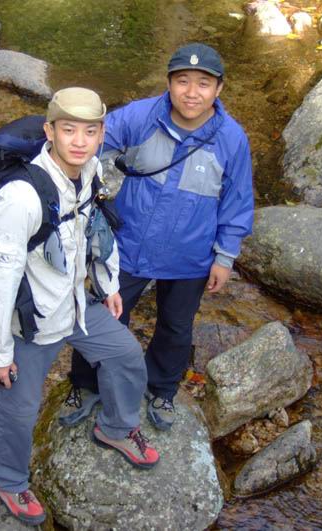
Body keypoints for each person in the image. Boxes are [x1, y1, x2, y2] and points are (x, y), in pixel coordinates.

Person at [0, 87, 160, 525]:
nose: (80, 141)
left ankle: (116, 428)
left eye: (90, 131)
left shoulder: (90, 171)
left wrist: (109, 284)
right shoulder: (21, 196)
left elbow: (98, 232)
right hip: (33, 320)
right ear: (50, 131)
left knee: (125, 354)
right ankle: (8, 479)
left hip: (77, 304)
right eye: (69, 130)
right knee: (19, 408)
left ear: (102, 134)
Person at [61, 43, 254, 432]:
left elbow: (237, 202)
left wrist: (225, 257)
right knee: (104, 316)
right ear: (169, 83)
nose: (191, 92)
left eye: (203, 83)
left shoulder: (232, 139)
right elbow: (94, 138)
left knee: (176, 326)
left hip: (190, 256)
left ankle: (161, 389)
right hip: (129, 245)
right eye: (182, 81)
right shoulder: (142, 115)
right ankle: (85, 383)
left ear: (219, 89)